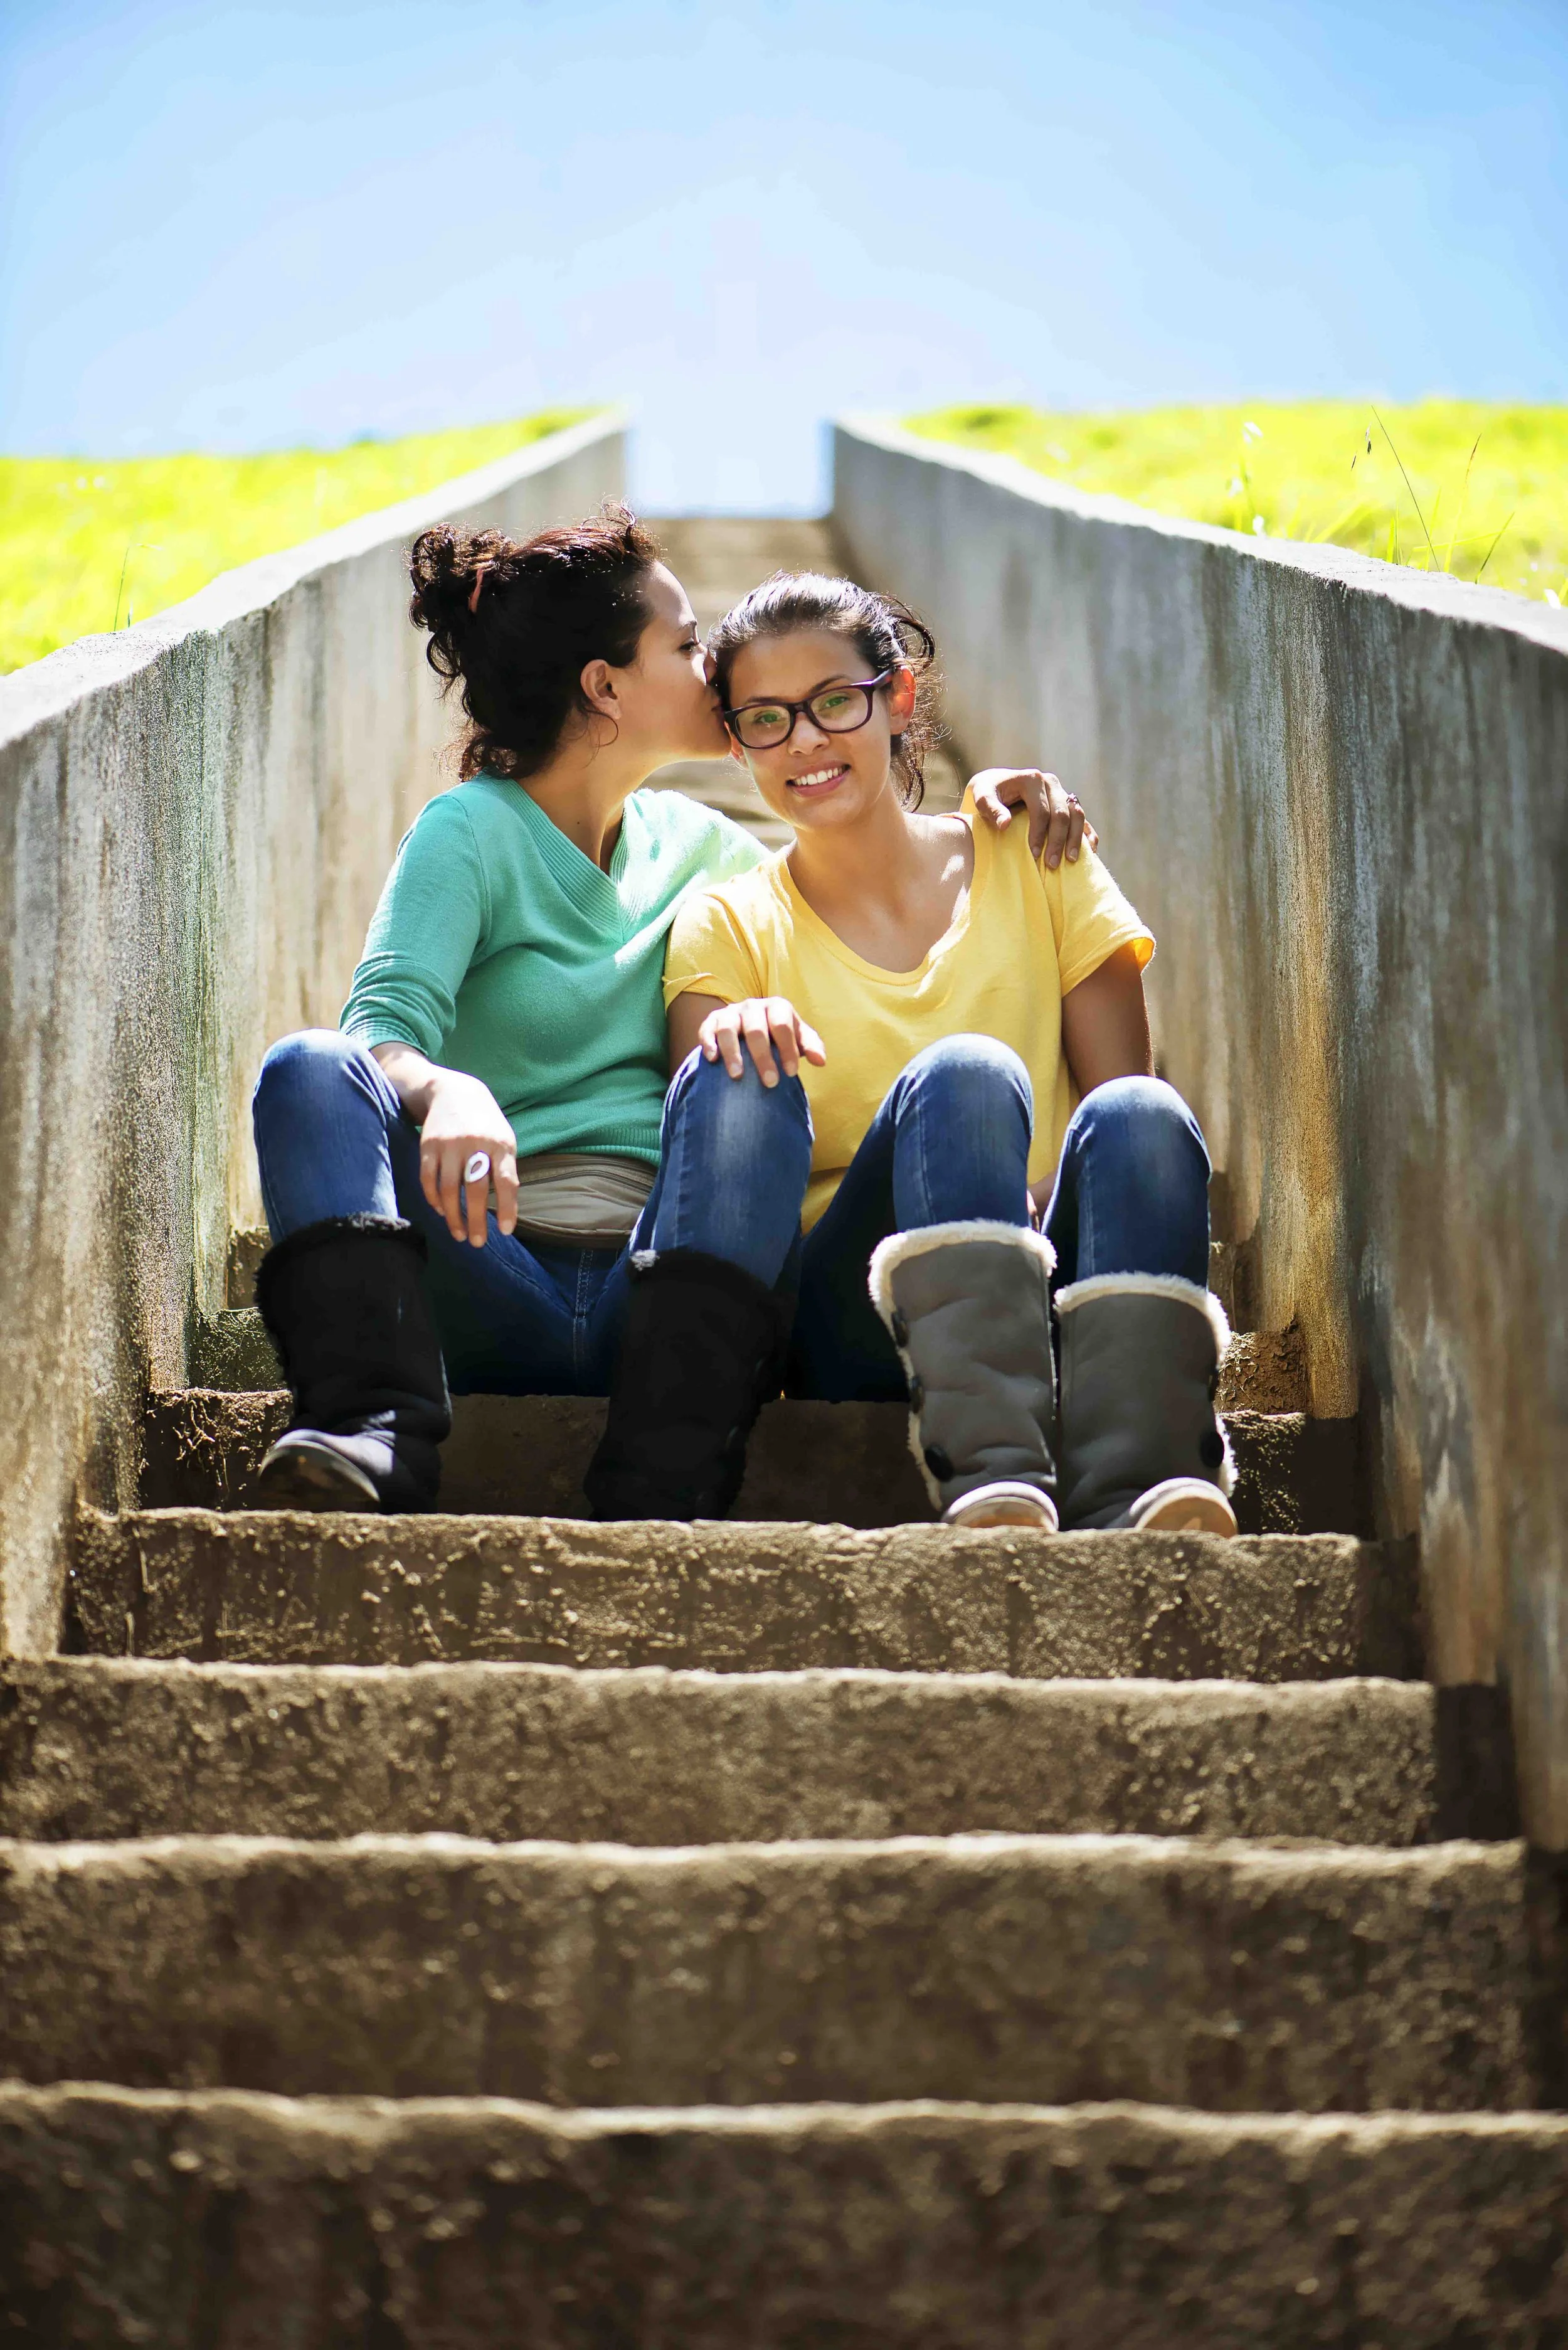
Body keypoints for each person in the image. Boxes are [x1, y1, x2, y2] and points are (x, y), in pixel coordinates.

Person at [248, 506, 1089, 1511]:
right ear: (605, 686)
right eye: (688, 645)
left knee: (746, 1076)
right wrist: (448, 1088)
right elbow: (375, 1031)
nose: (717, 666)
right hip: (481, 1260)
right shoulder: (467, 832)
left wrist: (987, 812)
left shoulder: (714, 855)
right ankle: (366, 1424)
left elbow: (857, 865)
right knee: (304, 1068)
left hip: (664, 1287)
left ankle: (671, 1463)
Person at [584, 570, 1236, 1538]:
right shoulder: (728, 924)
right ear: (736, 742)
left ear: (896, 698)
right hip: (861, 1317)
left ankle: (1143, 1477)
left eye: (836, 702)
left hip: (1053, 1289)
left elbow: (1117, 1114)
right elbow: (720, 1185)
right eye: (766, 718)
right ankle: (995, 1469)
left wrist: (1025, 1207)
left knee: (1147, 1117)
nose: (805, 739)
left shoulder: (1037, 852)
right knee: (964, 1075)